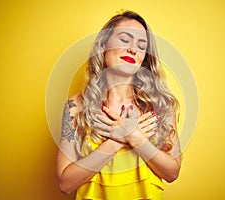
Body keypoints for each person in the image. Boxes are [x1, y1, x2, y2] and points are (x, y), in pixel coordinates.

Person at [56, 10, 182, 200]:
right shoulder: (76, 106)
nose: (133, 49)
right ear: (103, 45)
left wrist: (136, 137)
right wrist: (115, 142)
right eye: (124, 39)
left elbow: (172, 173)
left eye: (141, 46)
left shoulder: (160, 105)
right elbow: (65, 183)